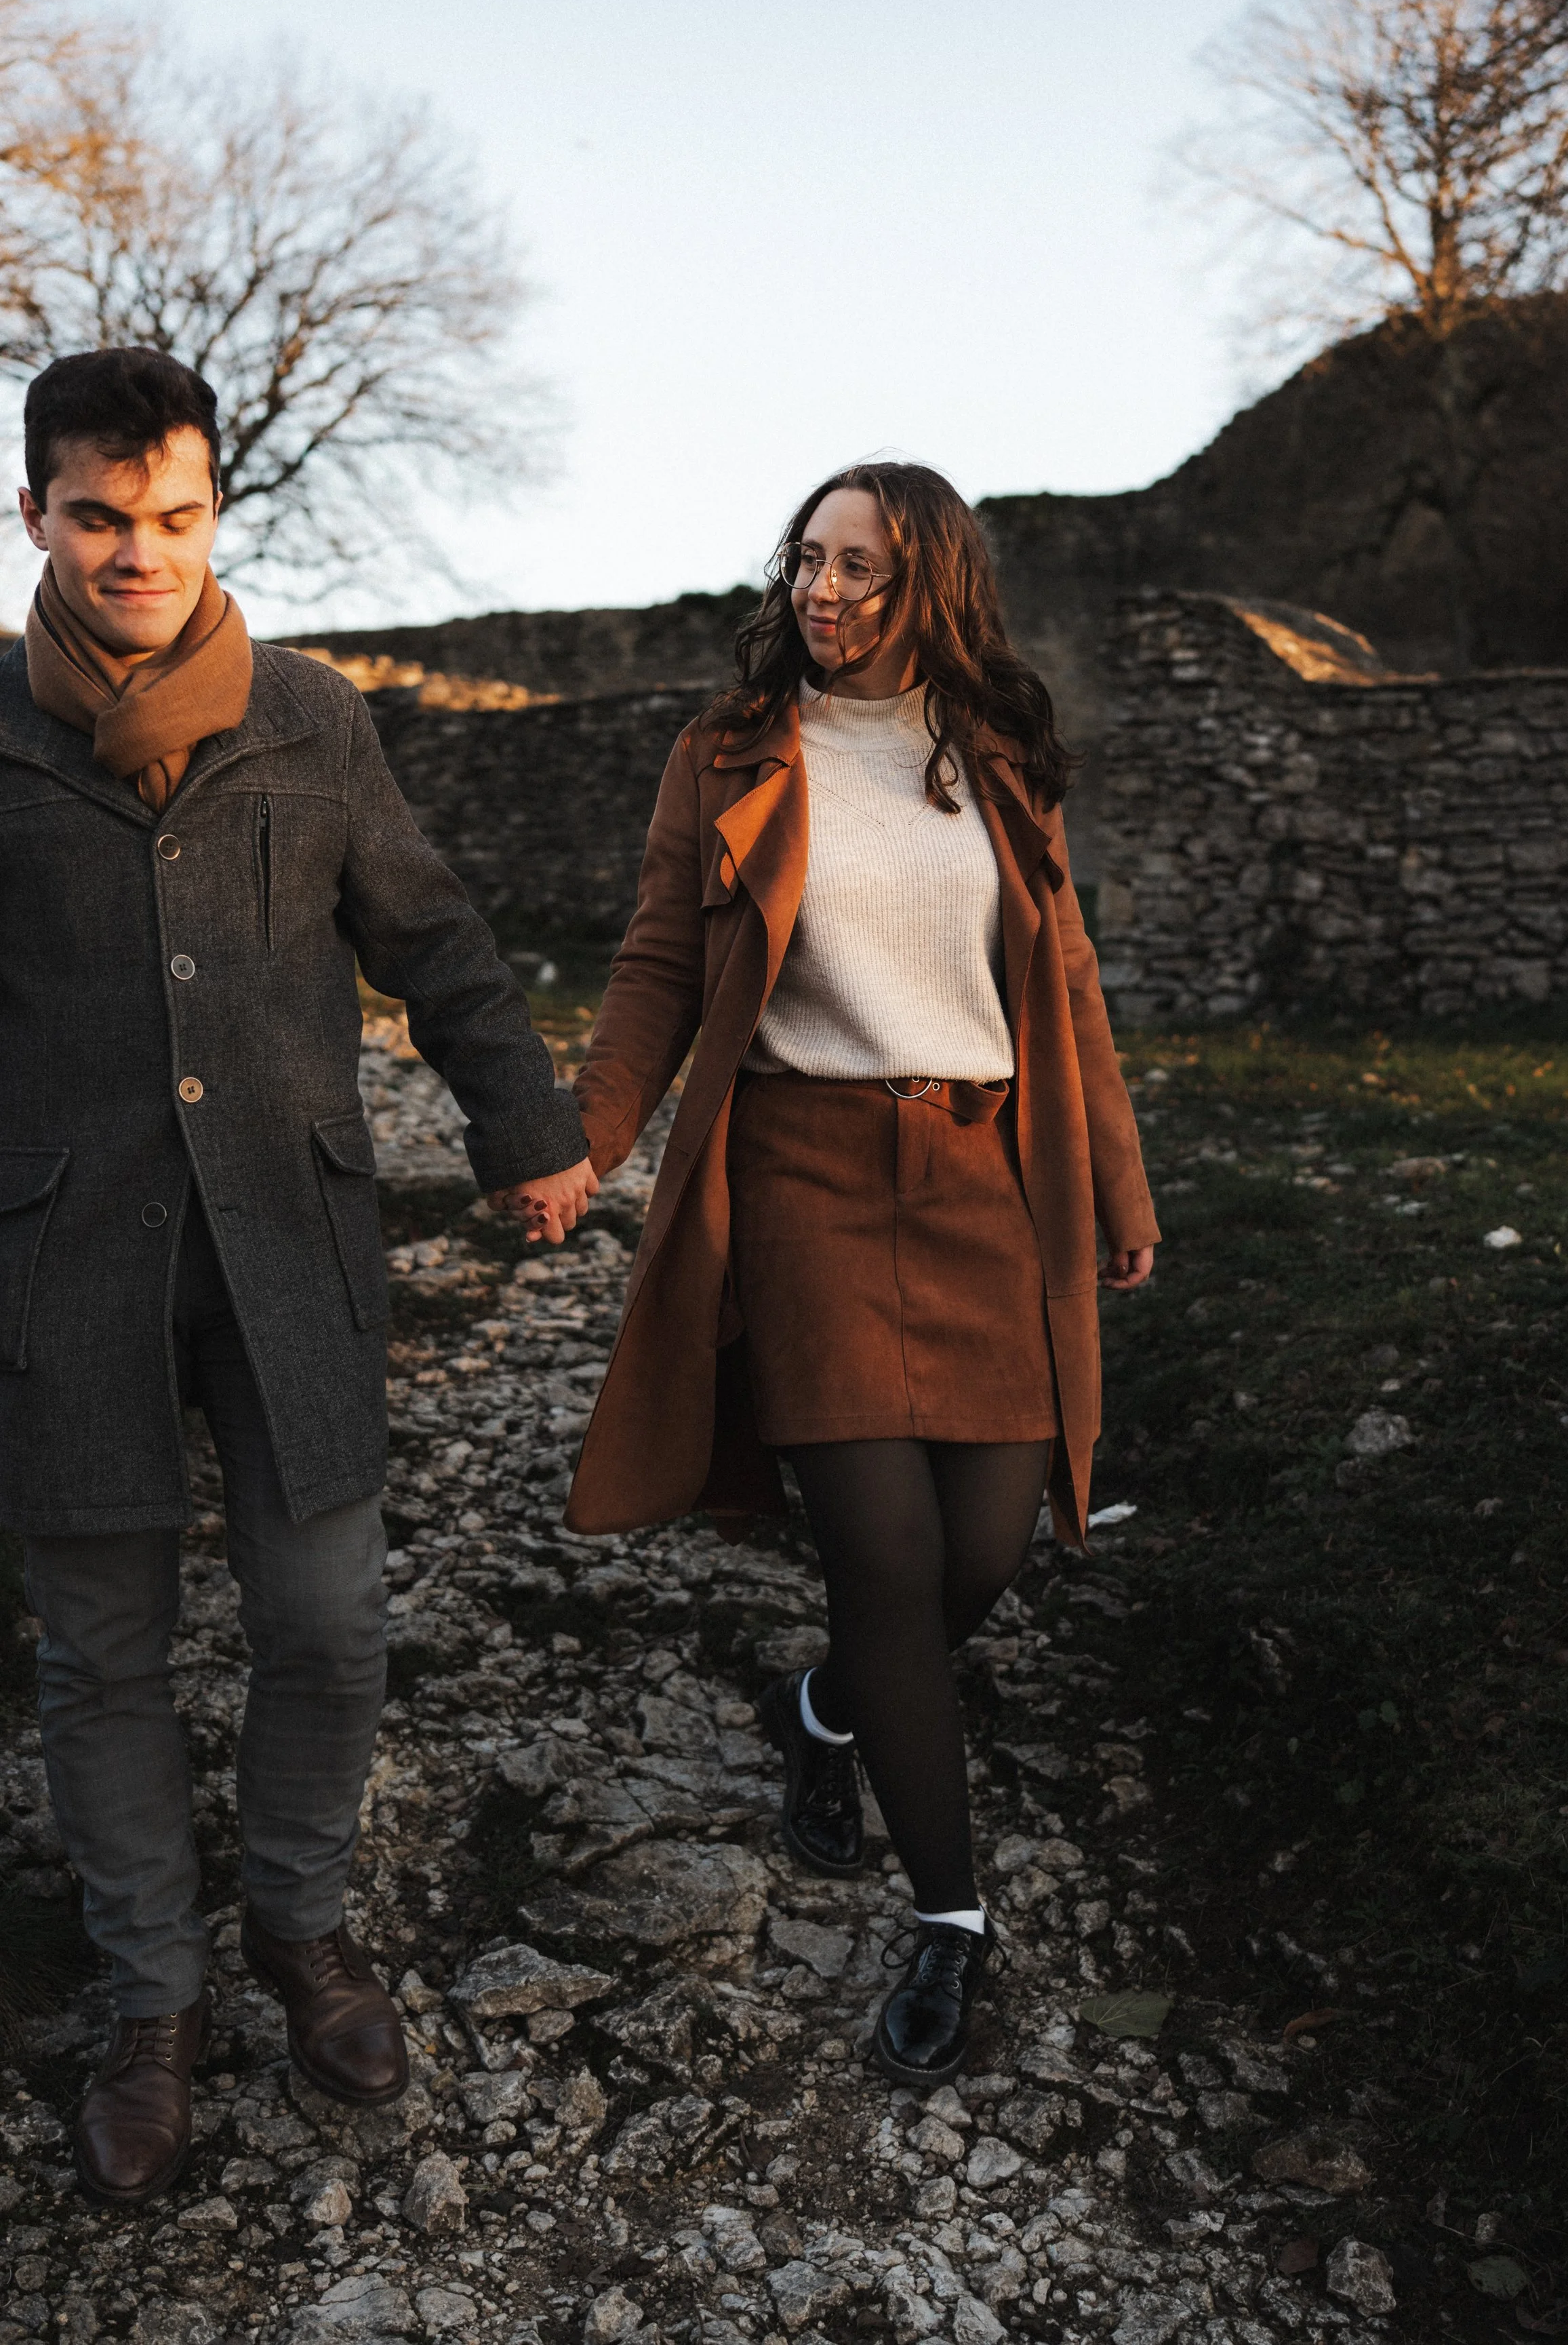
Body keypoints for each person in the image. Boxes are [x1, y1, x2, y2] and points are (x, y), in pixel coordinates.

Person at [0, 348, 597, 2205]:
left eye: (171, 515)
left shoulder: (315, 719)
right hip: (65, 1263)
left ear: (214, 513)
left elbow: (433, 932)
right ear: (34, 514)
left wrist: (525, 1125)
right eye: (98, 516)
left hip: (294, 1243)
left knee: (326, 1618)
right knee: (99, 1654)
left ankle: (301, 1922)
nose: (135, 551)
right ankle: (152, 2003)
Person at [567, 460, 1157, 2086]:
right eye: (808, 560)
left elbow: (1066, 976)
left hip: (986, 1183)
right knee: (887, 1566)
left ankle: (825, 1713)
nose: (822, 593)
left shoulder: (1001, 754)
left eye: (862, 571)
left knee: (982, 1558)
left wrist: (1113, 1172)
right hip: (806, 1176)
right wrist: (591, 1133)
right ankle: (953, 1925)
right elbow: (659, 966)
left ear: (933, 592)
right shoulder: (731, 751)